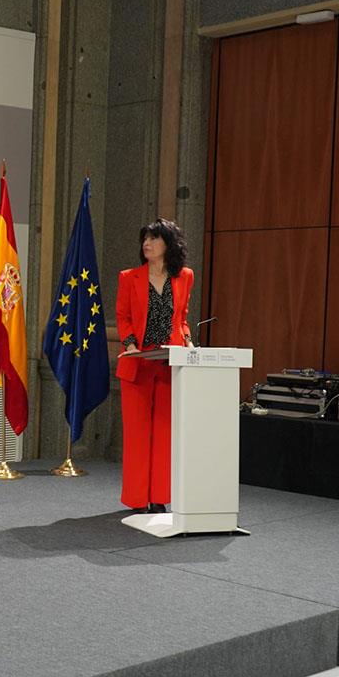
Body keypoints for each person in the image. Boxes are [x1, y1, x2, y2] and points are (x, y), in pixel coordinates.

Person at [116, 218, 194, 514]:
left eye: (153, 238)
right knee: (137, 434)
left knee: (164, 433)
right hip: (139, 362)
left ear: (168, 244)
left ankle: (159, 496)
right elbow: (122, 317)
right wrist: (132, 345)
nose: (146, 244)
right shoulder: (129, 277)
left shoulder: (185, 276)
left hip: (169, 363)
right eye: (144, 238)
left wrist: (187, 341)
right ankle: (137, 498)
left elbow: (182, 318)